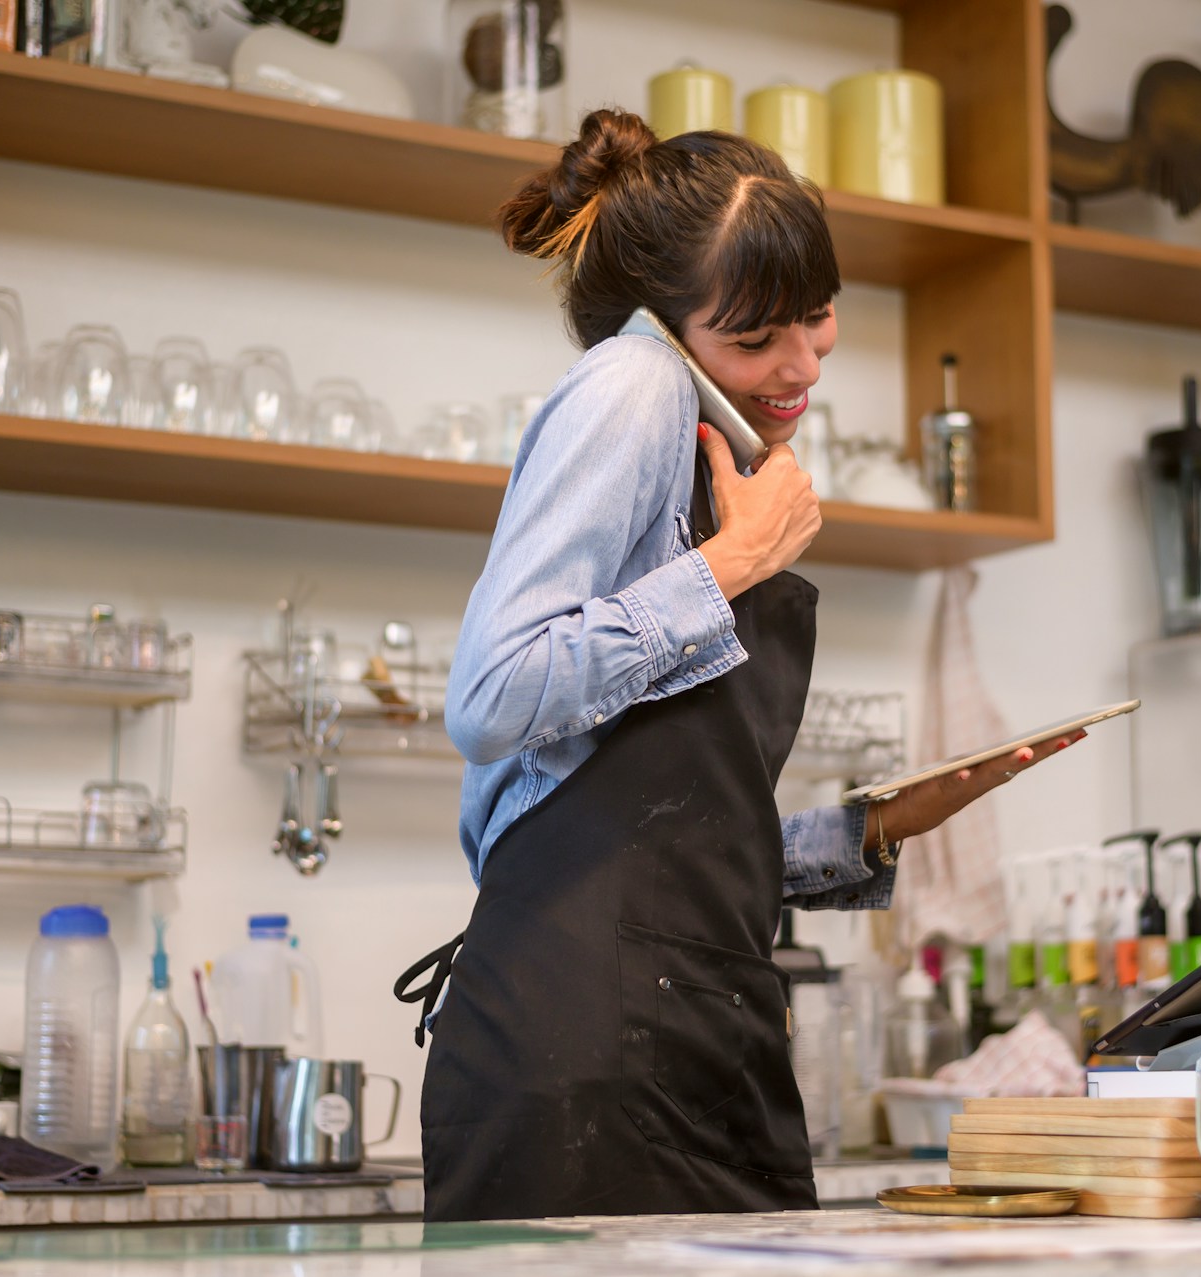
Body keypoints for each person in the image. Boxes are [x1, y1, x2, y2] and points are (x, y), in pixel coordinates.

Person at [403, 108, 1079, 1223]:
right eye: (759, 335)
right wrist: (732, 564)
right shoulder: (635, 385)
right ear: (665, 324)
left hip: (678, 1032)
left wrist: (869, 830)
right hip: (587, 1054)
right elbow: (488, 698)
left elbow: (653, 833)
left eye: (819, 319)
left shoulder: (708, 432)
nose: (803, 364)